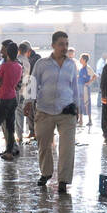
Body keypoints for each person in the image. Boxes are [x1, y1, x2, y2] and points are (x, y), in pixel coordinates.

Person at [26, 30, 80, 193]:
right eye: (61, 44)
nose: (64, 47)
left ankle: (63, 180)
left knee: (67, 147)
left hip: (67, 111)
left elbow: (75, 87)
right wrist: (29, 101)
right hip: (44, 111)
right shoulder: (42, 63)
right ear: (53, 45)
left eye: (66, 44)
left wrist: (78, 107)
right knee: (44, 145)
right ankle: (46, 173)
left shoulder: (71, 64)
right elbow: (32, 83)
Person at [78, 53, 95, 127]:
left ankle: (90, 120)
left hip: (85, 89)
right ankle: (80, 120)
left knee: (87, 103)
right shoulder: (80, 67)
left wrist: (88, 83)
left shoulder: (88, 68)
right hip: (79, 87)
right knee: (80, 103)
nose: (80, 60)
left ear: (84, 60)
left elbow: (94, 76)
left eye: (81, 58)